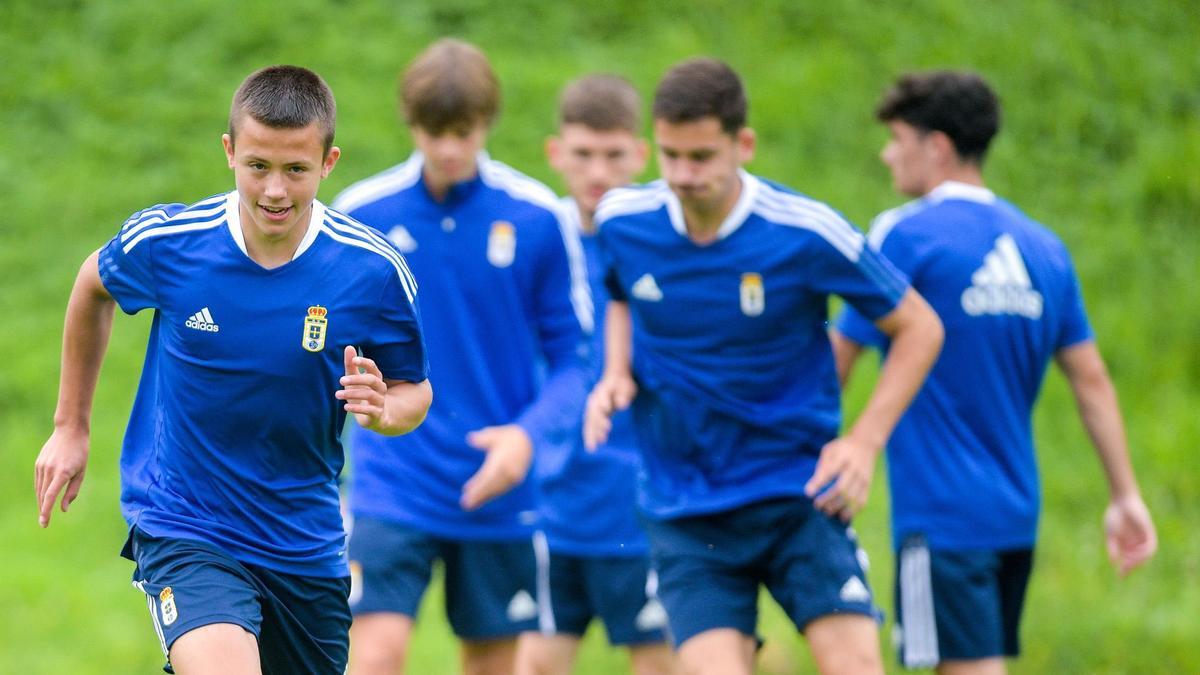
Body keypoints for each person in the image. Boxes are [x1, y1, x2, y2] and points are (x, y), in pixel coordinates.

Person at [33, 65, 432, 675]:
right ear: (230, 152)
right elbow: (93, 287)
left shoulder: (372, 270)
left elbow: (415, 392)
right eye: (258, 166)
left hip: (303, 540)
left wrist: (383, 409)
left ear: (328, 162)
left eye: (296, 170)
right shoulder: (171, 243)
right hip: (185, 523)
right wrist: (70, 425)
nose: (275, 190)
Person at [583, 57, 944, 675]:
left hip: (798, 493)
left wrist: (864, 441)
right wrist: (616, 371)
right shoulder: (622, 219)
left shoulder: (803, 231)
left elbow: (919, 326)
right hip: (685, 507)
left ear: (743, 144)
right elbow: (620, 291)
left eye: (701, 157)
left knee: (856, 665)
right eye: (670, 156)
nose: (683, 175)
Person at [830, 70, 1157, 674]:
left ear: (938, 147)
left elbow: (836, 362)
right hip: (1013, 513)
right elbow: (1091, 381)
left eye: (897, 138)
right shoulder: (1044, 248)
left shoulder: (904, 235)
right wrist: (1125, 495)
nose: (886, 154)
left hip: (940, 517)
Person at [332, 39, 592, 675]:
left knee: (492, 664)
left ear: (488, 124)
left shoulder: (536, 217)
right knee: (374, 657)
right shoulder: (360, 215)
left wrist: (527, 439)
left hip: (496, 482)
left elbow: (576, 360)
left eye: (463, 132)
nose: (448, 148)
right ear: (410, 124)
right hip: (391, 478)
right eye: (432, 131)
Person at [514, 75, 676, 675]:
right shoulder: (535, 237)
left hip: (641, 499)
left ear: (641, 154)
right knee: (533, 663)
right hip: (548, 501)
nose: (598, 171)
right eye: (583, 154)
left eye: (614, 155)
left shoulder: (663, 239)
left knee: (659, 663)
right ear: (557, 154)